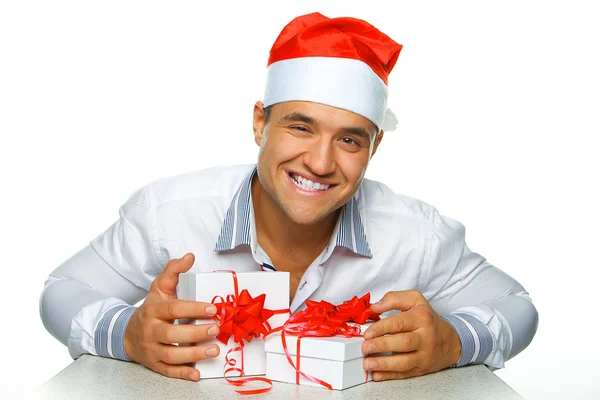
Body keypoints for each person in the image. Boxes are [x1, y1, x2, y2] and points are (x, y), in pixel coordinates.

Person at [40, 12, 538, 383]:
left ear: (375, 146)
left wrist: (455, 341)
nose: (320, 163)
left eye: (349, 139)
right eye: (300, 127)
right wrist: (126, 333)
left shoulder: (416, 234)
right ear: (260, 122)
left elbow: (517, 307)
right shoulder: (168, 212)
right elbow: (61, 290)